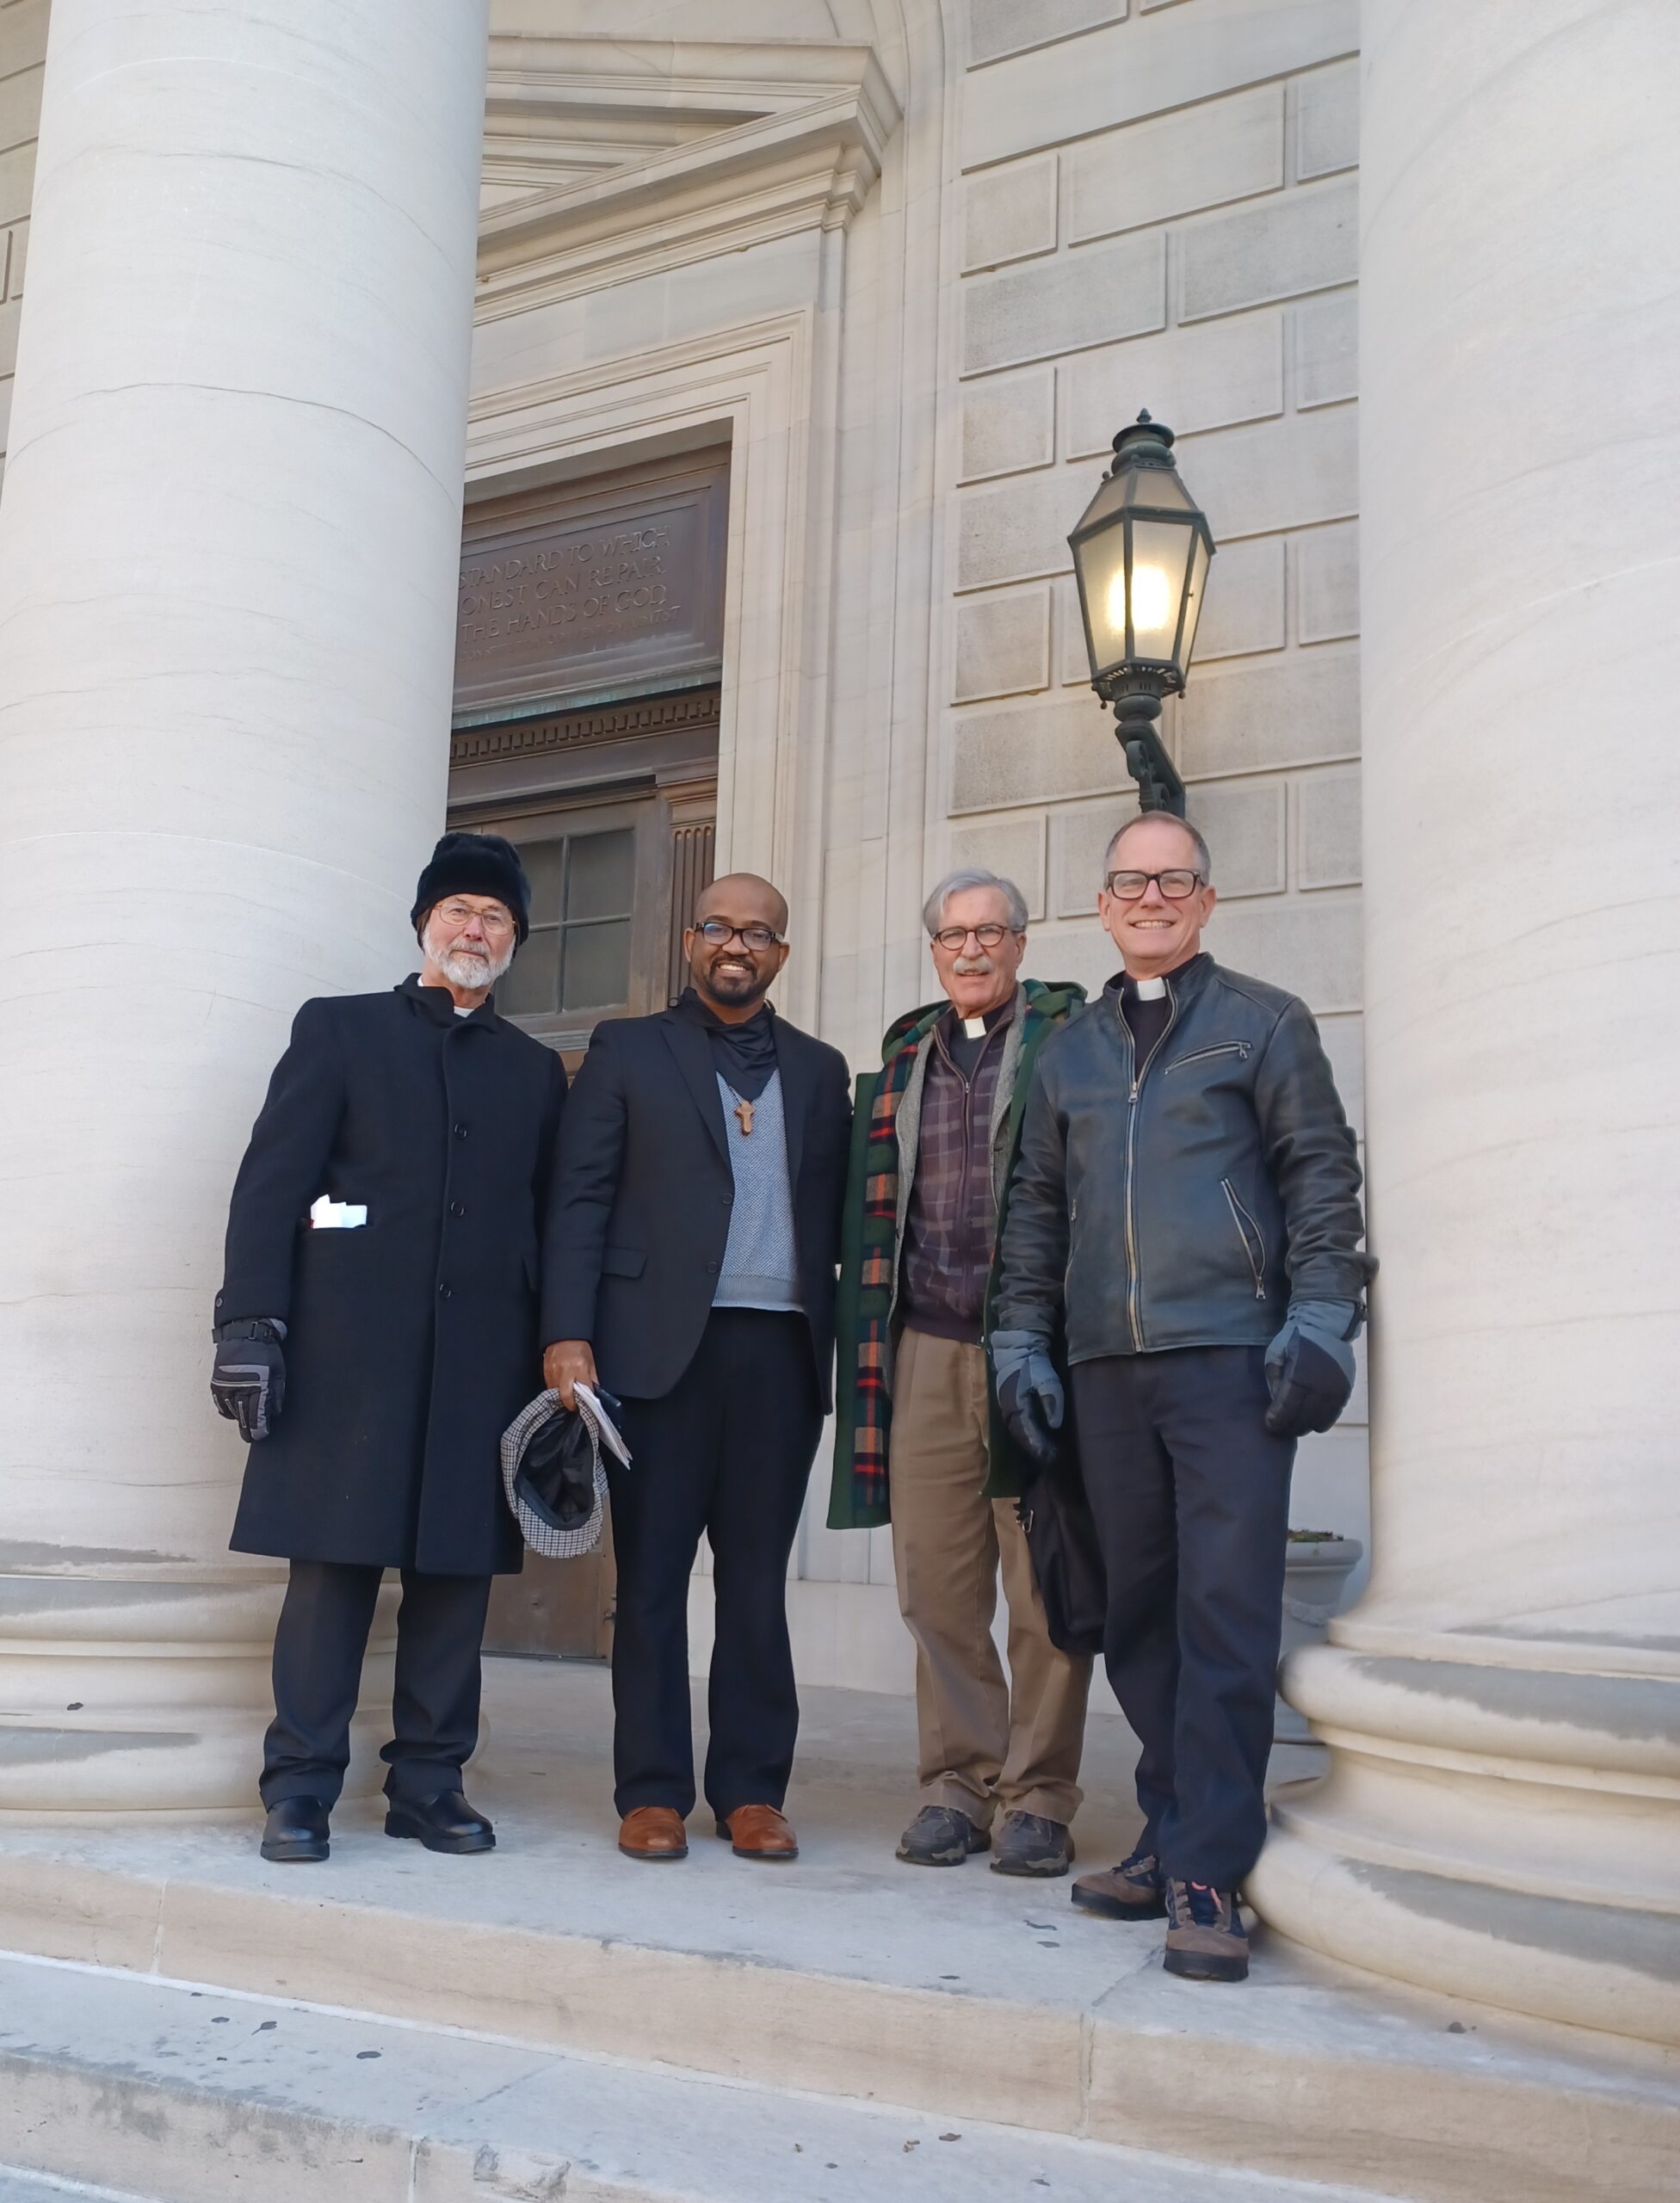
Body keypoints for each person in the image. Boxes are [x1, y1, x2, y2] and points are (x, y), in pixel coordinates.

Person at [992, 811, 1372, 1981]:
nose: (1150, 898)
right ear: (1103, 905)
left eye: (1173, 880)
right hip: (1104, 1366)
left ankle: (1209, 1871)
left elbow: (1320, 1176)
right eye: (1130, 881)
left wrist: (1320, 1318)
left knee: (1223, 1611)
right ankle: (1173, 1827)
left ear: (1204, 900)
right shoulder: (1068, 1055)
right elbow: (1036, 1211)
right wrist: (1019, 1342)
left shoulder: (1265, 1022)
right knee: (1137, 1613)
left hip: (1229, 1361)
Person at [212, 833, 565, 1864]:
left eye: (494, 917)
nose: (474, 929)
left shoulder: (536, 1071)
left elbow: (550, 1221)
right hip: (348, 1358)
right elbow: (271, 1185)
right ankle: (298, 1789)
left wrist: (559, 1352)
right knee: (329, 1579)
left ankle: (429, 1784)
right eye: (458, 910)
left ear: (514, 939)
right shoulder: (338, 1029)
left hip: (482, 1363)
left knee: (455, 1582)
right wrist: (249, 1323)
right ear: (423, 924)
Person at [542, 874, 850, 1864]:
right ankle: (652, 1791)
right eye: (718, 926)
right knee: (651, 1581)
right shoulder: (628, 1049)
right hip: (653, 1352)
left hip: (780, 1356)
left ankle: (752, 1790)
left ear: (779, 955)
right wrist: (566, 1331)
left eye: (757, 932)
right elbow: (579, 1198)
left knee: (755, 1585)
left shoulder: (819, 1071)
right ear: (689, 941)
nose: (735, 944)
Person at [829, 869, 1092, 1875]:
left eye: (990, 932)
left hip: (1035, 1350)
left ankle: (1039, 1796)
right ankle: (954, 1785)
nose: (971, 949)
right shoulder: (905, 1058)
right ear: (933, 949)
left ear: (1020, 943)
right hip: (924, 1349)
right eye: (953, 935)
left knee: (1042, 1590)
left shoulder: (1069, 1043)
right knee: (936, 1590)